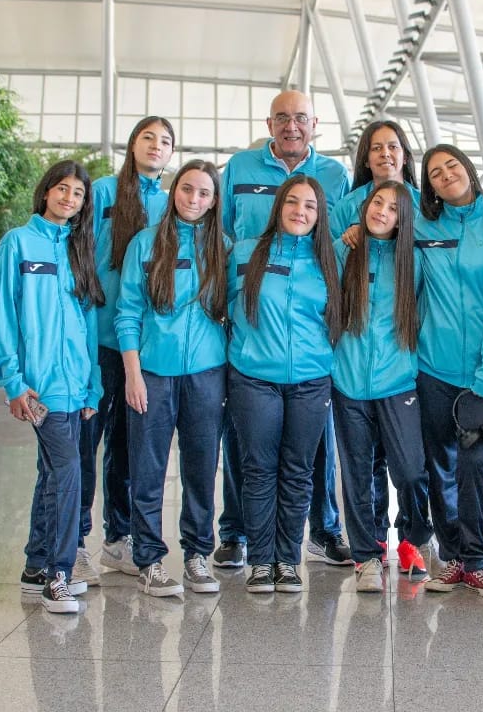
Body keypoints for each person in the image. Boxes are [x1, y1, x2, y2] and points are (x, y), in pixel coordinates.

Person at [215, 90, 352, 570]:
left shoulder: (336, 175)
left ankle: (324, 530)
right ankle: (236, 534)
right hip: (258, 332)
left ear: (315, 123)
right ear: (268, 123)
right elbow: (223, 234)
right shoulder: (240, 167)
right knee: (250, 449)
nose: (291, 126)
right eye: (282, 119)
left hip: (310, 341)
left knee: (312, 453)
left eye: (300, 118)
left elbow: (343, 243)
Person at [0, 160, 105, 613]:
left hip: (76, 386)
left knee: (52, 473)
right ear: (45, 192)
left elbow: (88, 324)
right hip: (40, 388)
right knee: (68, 472)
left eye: (78, 194)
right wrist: (13, 382)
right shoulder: (18, 243)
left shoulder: (79, 250)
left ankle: (36, 564)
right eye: (62, 189)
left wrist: (93, 387)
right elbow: (4, 316)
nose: (69, 198)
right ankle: (59, 574)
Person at [114, 159, 230, 597]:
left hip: (206, 375)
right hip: (153, 374)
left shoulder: (224, 248)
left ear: (214, 200)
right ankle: (149, 559)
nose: (194, 200)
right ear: (173, 191)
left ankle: (198, 554)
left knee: (201, 470)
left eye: (203, 193)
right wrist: (133, 374)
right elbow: (128, 313)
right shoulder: (145, 244)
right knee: (148, 470)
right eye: (187, 190)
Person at [413, 144, 483, 600]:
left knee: (476, 464)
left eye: (452, 166)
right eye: (435, 173)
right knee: (438, 466)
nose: (445, 175)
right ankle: (453, 557)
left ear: (469, 171)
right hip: (431, 368)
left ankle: (476, 561)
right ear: (429, 186)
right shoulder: (422, 227)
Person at [226, 176, 343, 593]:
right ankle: (261, 561)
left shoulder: (329, 260)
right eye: (292, 202)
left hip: (311, 380)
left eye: (310, 206)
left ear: (319, 215)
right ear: (278, 207)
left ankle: (288, 560)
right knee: (258, 470)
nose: (300, 211)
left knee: (298, 472)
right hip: (255, 378)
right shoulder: (242, 254)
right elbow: (219, 306)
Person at [79, 116, 175, 585]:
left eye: (165, 141)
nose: (156, 146)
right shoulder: (101, 192)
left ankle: (118, 539)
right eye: (148, 137)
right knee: (85, 438)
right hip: (96, 336)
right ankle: (73, 540)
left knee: (125, 443)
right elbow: (78, 251)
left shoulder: (169, 203)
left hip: (140, 344)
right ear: (132, 144)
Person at [329, 119, 422, 561]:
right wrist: (342, 241)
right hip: (349, 374)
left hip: (400, 374)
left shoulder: (425, 214)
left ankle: (412, 538)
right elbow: (320, 267)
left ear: (405, 153)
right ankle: (370, 551)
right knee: (361, 470)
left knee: (409, 468)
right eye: (376, 148)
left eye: (394, 146)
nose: (386, 154)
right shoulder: (348, 220)